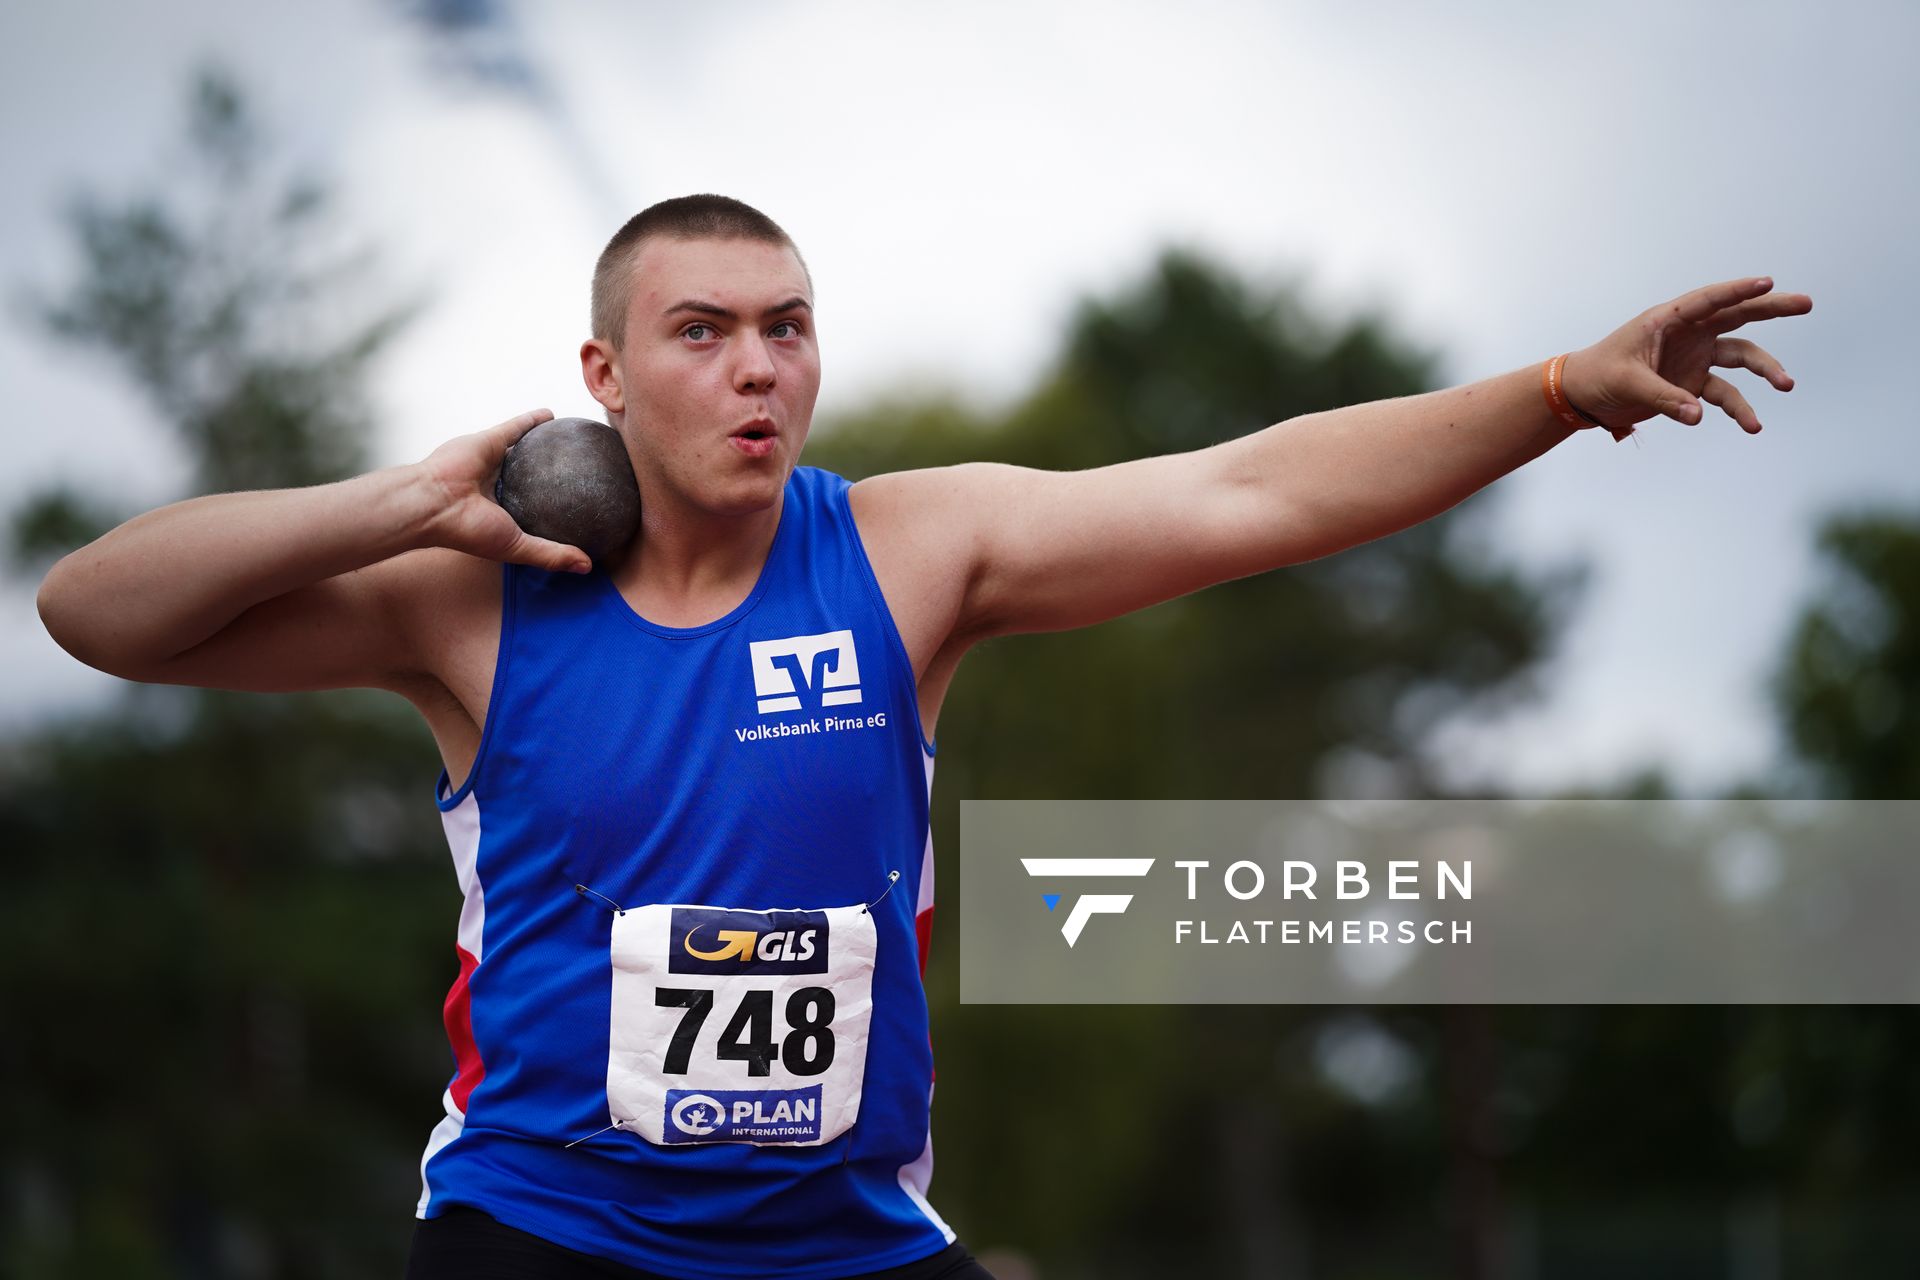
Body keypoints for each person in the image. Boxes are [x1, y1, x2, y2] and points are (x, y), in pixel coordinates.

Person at [34, 194, 1810, 1278]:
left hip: (843, 1242)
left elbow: (1246, 488)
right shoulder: (476, 592)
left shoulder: (909, 553)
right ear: (603, 377)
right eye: (703, 332)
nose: (756, 369)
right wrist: (398, 499)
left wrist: (1562, 390)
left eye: (786, 330)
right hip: (543, 1231)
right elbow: (97, 612)